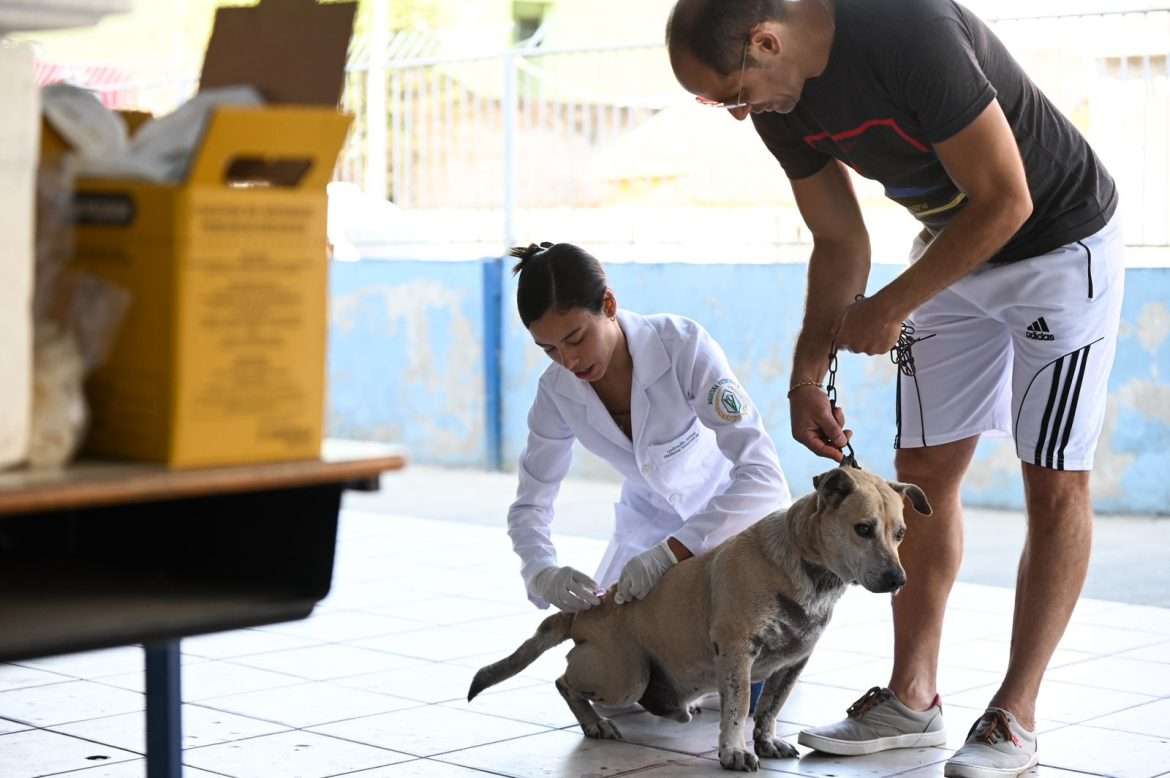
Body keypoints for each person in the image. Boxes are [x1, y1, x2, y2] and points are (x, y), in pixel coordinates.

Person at [666, 1, 1123, 776]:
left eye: (733, 94)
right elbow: (839, 238)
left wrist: (893, 304)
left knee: (1053, 482)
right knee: (922, 481)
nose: (742, 115)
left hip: (1058, 244)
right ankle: (913, 700)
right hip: (951, 252)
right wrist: (807, 375)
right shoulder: (786, 98)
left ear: (766, 41)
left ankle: (1015, 715)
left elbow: (1007, 199)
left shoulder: (904, 28)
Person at [506, 240, 791, 618]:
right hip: (644, 532)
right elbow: (530, 503)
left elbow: (764, 477)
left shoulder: (683, 348)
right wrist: (541, 571)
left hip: (733, 523)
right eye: (550, 349)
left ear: (608, 305)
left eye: (576, 338)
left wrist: (673, 552)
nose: (569, 360)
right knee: (604, 650)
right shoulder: (556, 392)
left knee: (736, 647)